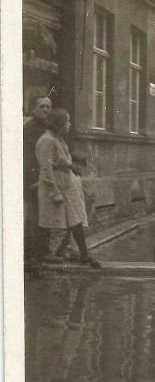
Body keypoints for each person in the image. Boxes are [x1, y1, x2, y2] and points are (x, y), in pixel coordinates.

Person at [36, 109, 100, 268]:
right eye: (67, 122)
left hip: (66, 185)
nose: (69, 125)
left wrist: (72, 167)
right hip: (54, 186)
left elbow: (60, 162)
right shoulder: (47, 141)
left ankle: (83, 254)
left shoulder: (58, 140)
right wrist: (54, 193)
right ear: (58, 125)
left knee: (74, 219)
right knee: (49, 222)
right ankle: (42, 256)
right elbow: (46, 169)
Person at [23, 96, 53, 270]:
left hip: (44, 179)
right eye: (42, 106)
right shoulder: (29, 129)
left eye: (48, 107)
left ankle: (42, 252)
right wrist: (33, 181)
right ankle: (30, 254)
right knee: (34, 216)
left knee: (44, 215)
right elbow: (28, 158)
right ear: (34, 108)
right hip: (34, 180)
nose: (45, 110)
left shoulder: (47, 128)